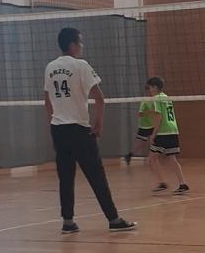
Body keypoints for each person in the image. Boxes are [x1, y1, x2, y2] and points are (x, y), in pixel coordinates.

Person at [44, 28, 137, 234]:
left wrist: (53, 126)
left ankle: (68, 222)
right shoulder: (81, 65)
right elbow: (99, 98)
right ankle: (114, 219)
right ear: (72, 45)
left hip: (58, 130)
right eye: (80, 42)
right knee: (96, 176)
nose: (82, 46)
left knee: (65, 177)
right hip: (79, 130)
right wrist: (99, 125)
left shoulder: (50, 67)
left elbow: (47, 101)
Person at [144, 77, 189, 195]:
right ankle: (182, 184)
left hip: (163, 132)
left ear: (155, 87)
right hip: (173, 130)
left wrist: (153, 134)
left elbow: (159, 116)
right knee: (171, 159)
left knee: (152, 158)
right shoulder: (166, 97)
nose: (149, 90)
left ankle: (162, 183)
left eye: (150, 88)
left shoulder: (157, 98)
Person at [123, 98, 154, 165]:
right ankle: (129, 155)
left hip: (152, 125)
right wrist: (150, 111)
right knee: (142, 143)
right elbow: (140, 114)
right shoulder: (145, 101)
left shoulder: (155, 100)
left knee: (153, 141)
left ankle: (152, 158)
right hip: (145, 126)